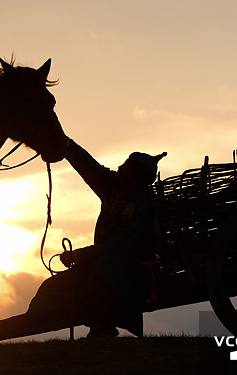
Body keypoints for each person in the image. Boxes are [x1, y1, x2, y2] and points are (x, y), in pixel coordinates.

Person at [28, 138, 167, 337]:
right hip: (102, 265)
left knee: (105, 267)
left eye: (126, 167)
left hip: (133, 276)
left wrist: (80, 256)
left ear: (136, 179)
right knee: (51, 287)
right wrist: (65, 144)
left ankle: (102, 328)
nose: (120, 167)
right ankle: (31, 321)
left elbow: (118, 247)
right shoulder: (112, 188)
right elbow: (87, 165)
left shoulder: (144, 208)